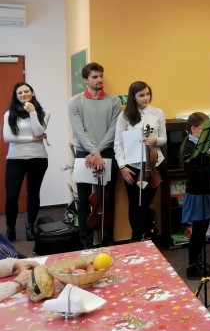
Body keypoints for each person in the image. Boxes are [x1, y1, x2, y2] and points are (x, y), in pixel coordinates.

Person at [67, 62, 121, 249]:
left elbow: (113, 129)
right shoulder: (75, 102)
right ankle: (86, 242)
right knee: (84, 200)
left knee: (107, 198)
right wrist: (93, 152)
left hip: (107, 152)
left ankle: (107, 239)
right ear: (85, 80)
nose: (99, 79)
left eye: (101, 76)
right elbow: (79, 131)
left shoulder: (114, 101)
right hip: (84, 153)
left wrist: (97, 152)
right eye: (95, 77)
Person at [114, 81, 166, 242]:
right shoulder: (125, 116)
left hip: (153, 164)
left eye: (148, 94)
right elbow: (118, 143)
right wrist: (122, 166)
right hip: (132, 166)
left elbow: (163, 138)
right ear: (133, 97)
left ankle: (144, 236)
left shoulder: (158, 112)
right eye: (141, 95)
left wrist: (155, 140)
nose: (146, 98)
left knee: (145, 204)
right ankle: (136, 238)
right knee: (135, 204)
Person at [180, 112, 210, 279]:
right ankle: (193, 267)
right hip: (197, 193)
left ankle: (199, 261)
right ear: (193, 129)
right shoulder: (190, 148)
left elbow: (206, 168)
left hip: (205, 191)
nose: (208, 133)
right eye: (204, 129)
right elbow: (194, 174)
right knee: (198, 231)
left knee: (203, 228)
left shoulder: (203, 145)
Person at [3, 83, 49, 242]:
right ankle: (10, 227)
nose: (23, 94)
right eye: (20, 93)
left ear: (32, 93)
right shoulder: (9, 114)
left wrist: (33, 112)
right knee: (11, 195)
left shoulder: (44, 112)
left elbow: (39, 131)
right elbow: (8, 138)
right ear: (16, 96)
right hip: (15, 159)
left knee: (33, 193)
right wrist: (32, 139)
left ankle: (30, 226)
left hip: (38, 158)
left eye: (26, 91)